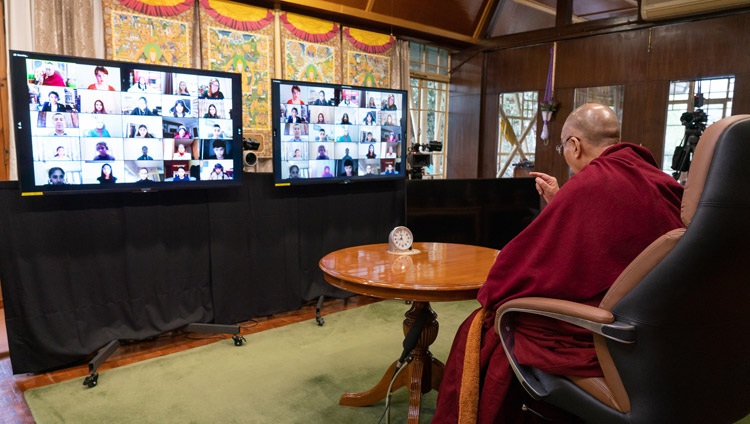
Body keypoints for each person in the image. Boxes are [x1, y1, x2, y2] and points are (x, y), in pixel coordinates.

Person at [432, 103, 685, 423]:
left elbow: (517, 267)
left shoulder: (591, 183)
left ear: (574, 145)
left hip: (604, 333)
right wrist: (561, 201)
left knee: (486, 322)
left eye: (562, 146)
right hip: (658, 327)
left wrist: (492, 291)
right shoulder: (659, 179)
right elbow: (611, 239)